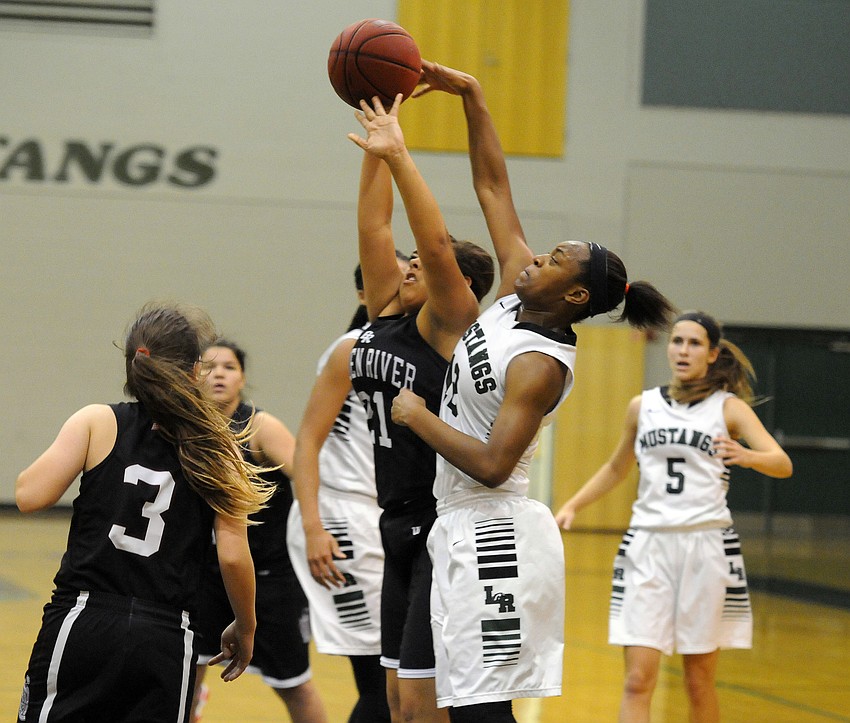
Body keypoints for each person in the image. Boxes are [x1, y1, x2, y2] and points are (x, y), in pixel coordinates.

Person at [390, 62, 677, 721]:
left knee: (480, 711)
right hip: (453, 521)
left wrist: (418, 415)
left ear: (574, 295)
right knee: (416, 701)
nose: (535, 258)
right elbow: (492, 183)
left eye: (552, 260)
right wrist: (473, 94)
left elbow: (492, 465)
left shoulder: (540, 364)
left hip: (497, 532)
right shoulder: (521, 292)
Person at [15, 302, 271, 723]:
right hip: (169, 635)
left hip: (84, 616)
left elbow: (28, 495)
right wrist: (246, 627)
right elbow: (231, 555)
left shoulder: (97, 422)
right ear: (194, 372)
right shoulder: (217, 447)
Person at [555, 310, 793, 723]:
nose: (683, 350)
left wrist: (749, 456)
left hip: (706, 547)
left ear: (713, 354)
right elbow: (616, 467)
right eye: (677, 341)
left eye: (694, 343)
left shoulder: (729, 408)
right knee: (636, 680)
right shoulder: (641, 406)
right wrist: (573, 504)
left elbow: (782, 463)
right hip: (647, 545)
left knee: (698, 682)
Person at [347, 94, 495, 722]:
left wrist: (404, 157)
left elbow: (432, 244)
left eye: (422, 264)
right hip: (395, 522)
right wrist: (380, 146)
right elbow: (374, 228)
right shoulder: (386, 314)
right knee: (394, 704)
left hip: (442, 526)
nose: (408, 264)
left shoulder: (449, 326)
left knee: (421, 704)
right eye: (405, 262)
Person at [288, 258, 406, 723]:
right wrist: (316, 527)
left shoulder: (400, 349)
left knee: (396, 684)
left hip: (375, 518)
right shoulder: (353, 347)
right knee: (381, 684)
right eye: (395, 276)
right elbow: (307, 443)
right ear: (365, 294)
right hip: (342, 518)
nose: (408, 280)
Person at [190, 339, 327, 723]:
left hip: (270, 579)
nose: (218, 373)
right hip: (208, 576)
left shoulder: (260, 427)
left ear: (243, 378)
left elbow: (307, 476)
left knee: (293, 683)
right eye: (209, 366)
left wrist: (315, 530)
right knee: (186, 674)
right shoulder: (189, 429)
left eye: (229, 367)